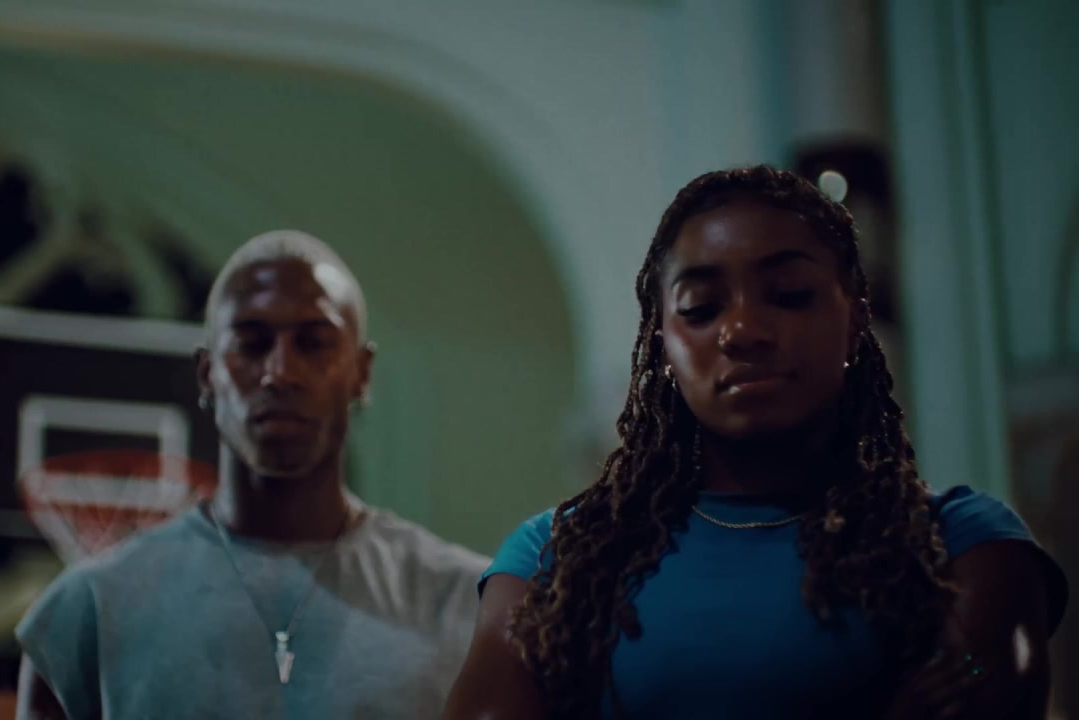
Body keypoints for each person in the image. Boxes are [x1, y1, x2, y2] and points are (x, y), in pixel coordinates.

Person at [443, 166, 1068, 719]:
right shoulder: (551, 561)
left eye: (789, 295)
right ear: (663, 341)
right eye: (701, 307)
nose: (742, 330)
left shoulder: (962, 547)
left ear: (854, 317)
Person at [15, 230, 489, 720]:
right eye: (252, 343)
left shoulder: (464, 606)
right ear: (207, 373)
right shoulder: (85, 614)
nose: (280, 372)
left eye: (314, 343)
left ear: (362, 372)